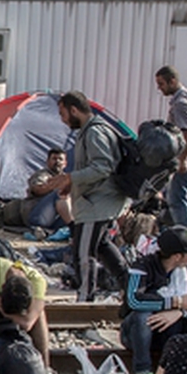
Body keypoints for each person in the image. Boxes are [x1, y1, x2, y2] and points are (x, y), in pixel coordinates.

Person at [58, 90, 129, 302]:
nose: (62, 120)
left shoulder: (94, 133)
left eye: (63, 114)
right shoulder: (89, 131)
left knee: (84, 252)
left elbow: (102, 167)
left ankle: (85, 298)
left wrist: (71, 178)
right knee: (103, 247)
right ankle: (132, 288)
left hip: (97, 203)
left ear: (74, 110)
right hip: (95, 202)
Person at [121, 226, 187, 374]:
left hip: (173, 329)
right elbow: (133, 300)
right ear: (177, 256)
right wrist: (175, 302)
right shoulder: (143, 267)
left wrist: (181, 312)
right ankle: (143, 370)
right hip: (139, 334)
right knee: (143, 316)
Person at [0, 252, 54, 374]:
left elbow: (27, 323)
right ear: (2, 286)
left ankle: (45, 370)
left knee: (40, 314)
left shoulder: (37, 281)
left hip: (5, 308)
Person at [154, 67, 187, 231]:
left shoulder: (181, 103)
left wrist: (183, 159)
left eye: (161, 84)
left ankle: (184, 243)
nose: (159, 88)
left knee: (176, 198)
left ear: (172, 81)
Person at [0, 148, 71, 231]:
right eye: (54, 159)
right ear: (48, 162)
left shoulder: (66, 178)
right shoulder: (42, 175)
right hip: (35, 217)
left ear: (65, 163)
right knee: (59, 193)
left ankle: (72, 227)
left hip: (53, 220)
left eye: (60, 159)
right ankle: (71, 225)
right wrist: (54, 186)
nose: (57, 162)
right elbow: (37, 190)